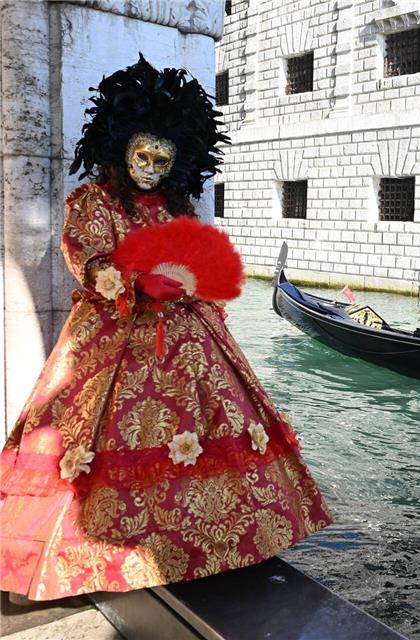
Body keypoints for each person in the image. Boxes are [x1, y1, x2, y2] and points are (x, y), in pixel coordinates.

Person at [0, 56, 332, 601]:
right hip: (112, 336)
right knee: (87, 441)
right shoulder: (94, 203)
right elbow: (83, 255)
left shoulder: (177, 212)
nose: (151, 167)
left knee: (214, 429)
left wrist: (191, 283)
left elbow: (199, 268)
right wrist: (131, 282)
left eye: (162, 159)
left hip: (188, 337)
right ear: (120, 147)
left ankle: (213, 549)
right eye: (142, 154)